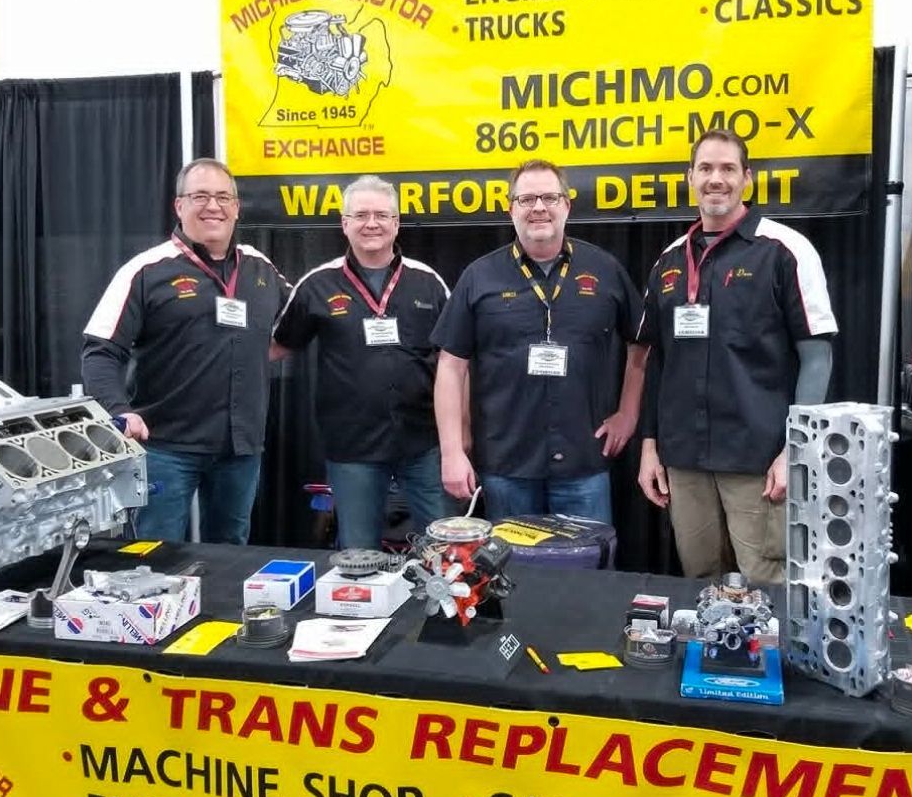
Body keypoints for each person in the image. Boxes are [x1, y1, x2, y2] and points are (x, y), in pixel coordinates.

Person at [636, 129, 836, 584]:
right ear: (690, 177)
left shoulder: (785, 250)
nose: (716, 178)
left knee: (767, 585)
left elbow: (817, 357)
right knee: (701, 583)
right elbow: (657, 362)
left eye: (728, 168)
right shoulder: (669, 261)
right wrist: (650, 446)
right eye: (705, 168)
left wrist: (794, 451)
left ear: (747, 178)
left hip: (758, 460)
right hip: (684, 459)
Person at [81, 158, 289, 544]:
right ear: (179, 206)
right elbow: (100, 351)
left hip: (241, 447)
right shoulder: (145, 270)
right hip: (165, 447)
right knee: (155, 553)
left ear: (236, 207)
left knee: (231, 552)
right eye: (200, 196)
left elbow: (298, 323)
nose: (213, 206)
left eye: (223, 197)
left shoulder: (260, 268)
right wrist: (119, 410)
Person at [432, 159, 646, 524]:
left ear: (567, 205)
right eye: (527, 199)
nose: (539, 208)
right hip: (506, 465)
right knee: (510, 561)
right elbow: (451, 366)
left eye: (549, 197)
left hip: (584, 461)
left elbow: (641, 343)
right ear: (510, 208)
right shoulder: (479, 276)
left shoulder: (605, 269)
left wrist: (628, 414)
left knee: (588, 560)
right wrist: (452, 451)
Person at [273, 175, 452, 549]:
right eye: (361, 215)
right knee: (358, 554)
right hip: (352, 447)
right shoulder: (317, 284)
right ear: (345, 223)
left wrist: (460, 436)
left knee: (445, 549)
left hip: (423, 442)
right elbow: (276, 347)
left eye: (382, 215)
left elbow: (456, 360)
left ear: (396, 223)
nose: (372, 224)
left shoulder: (428, 282)